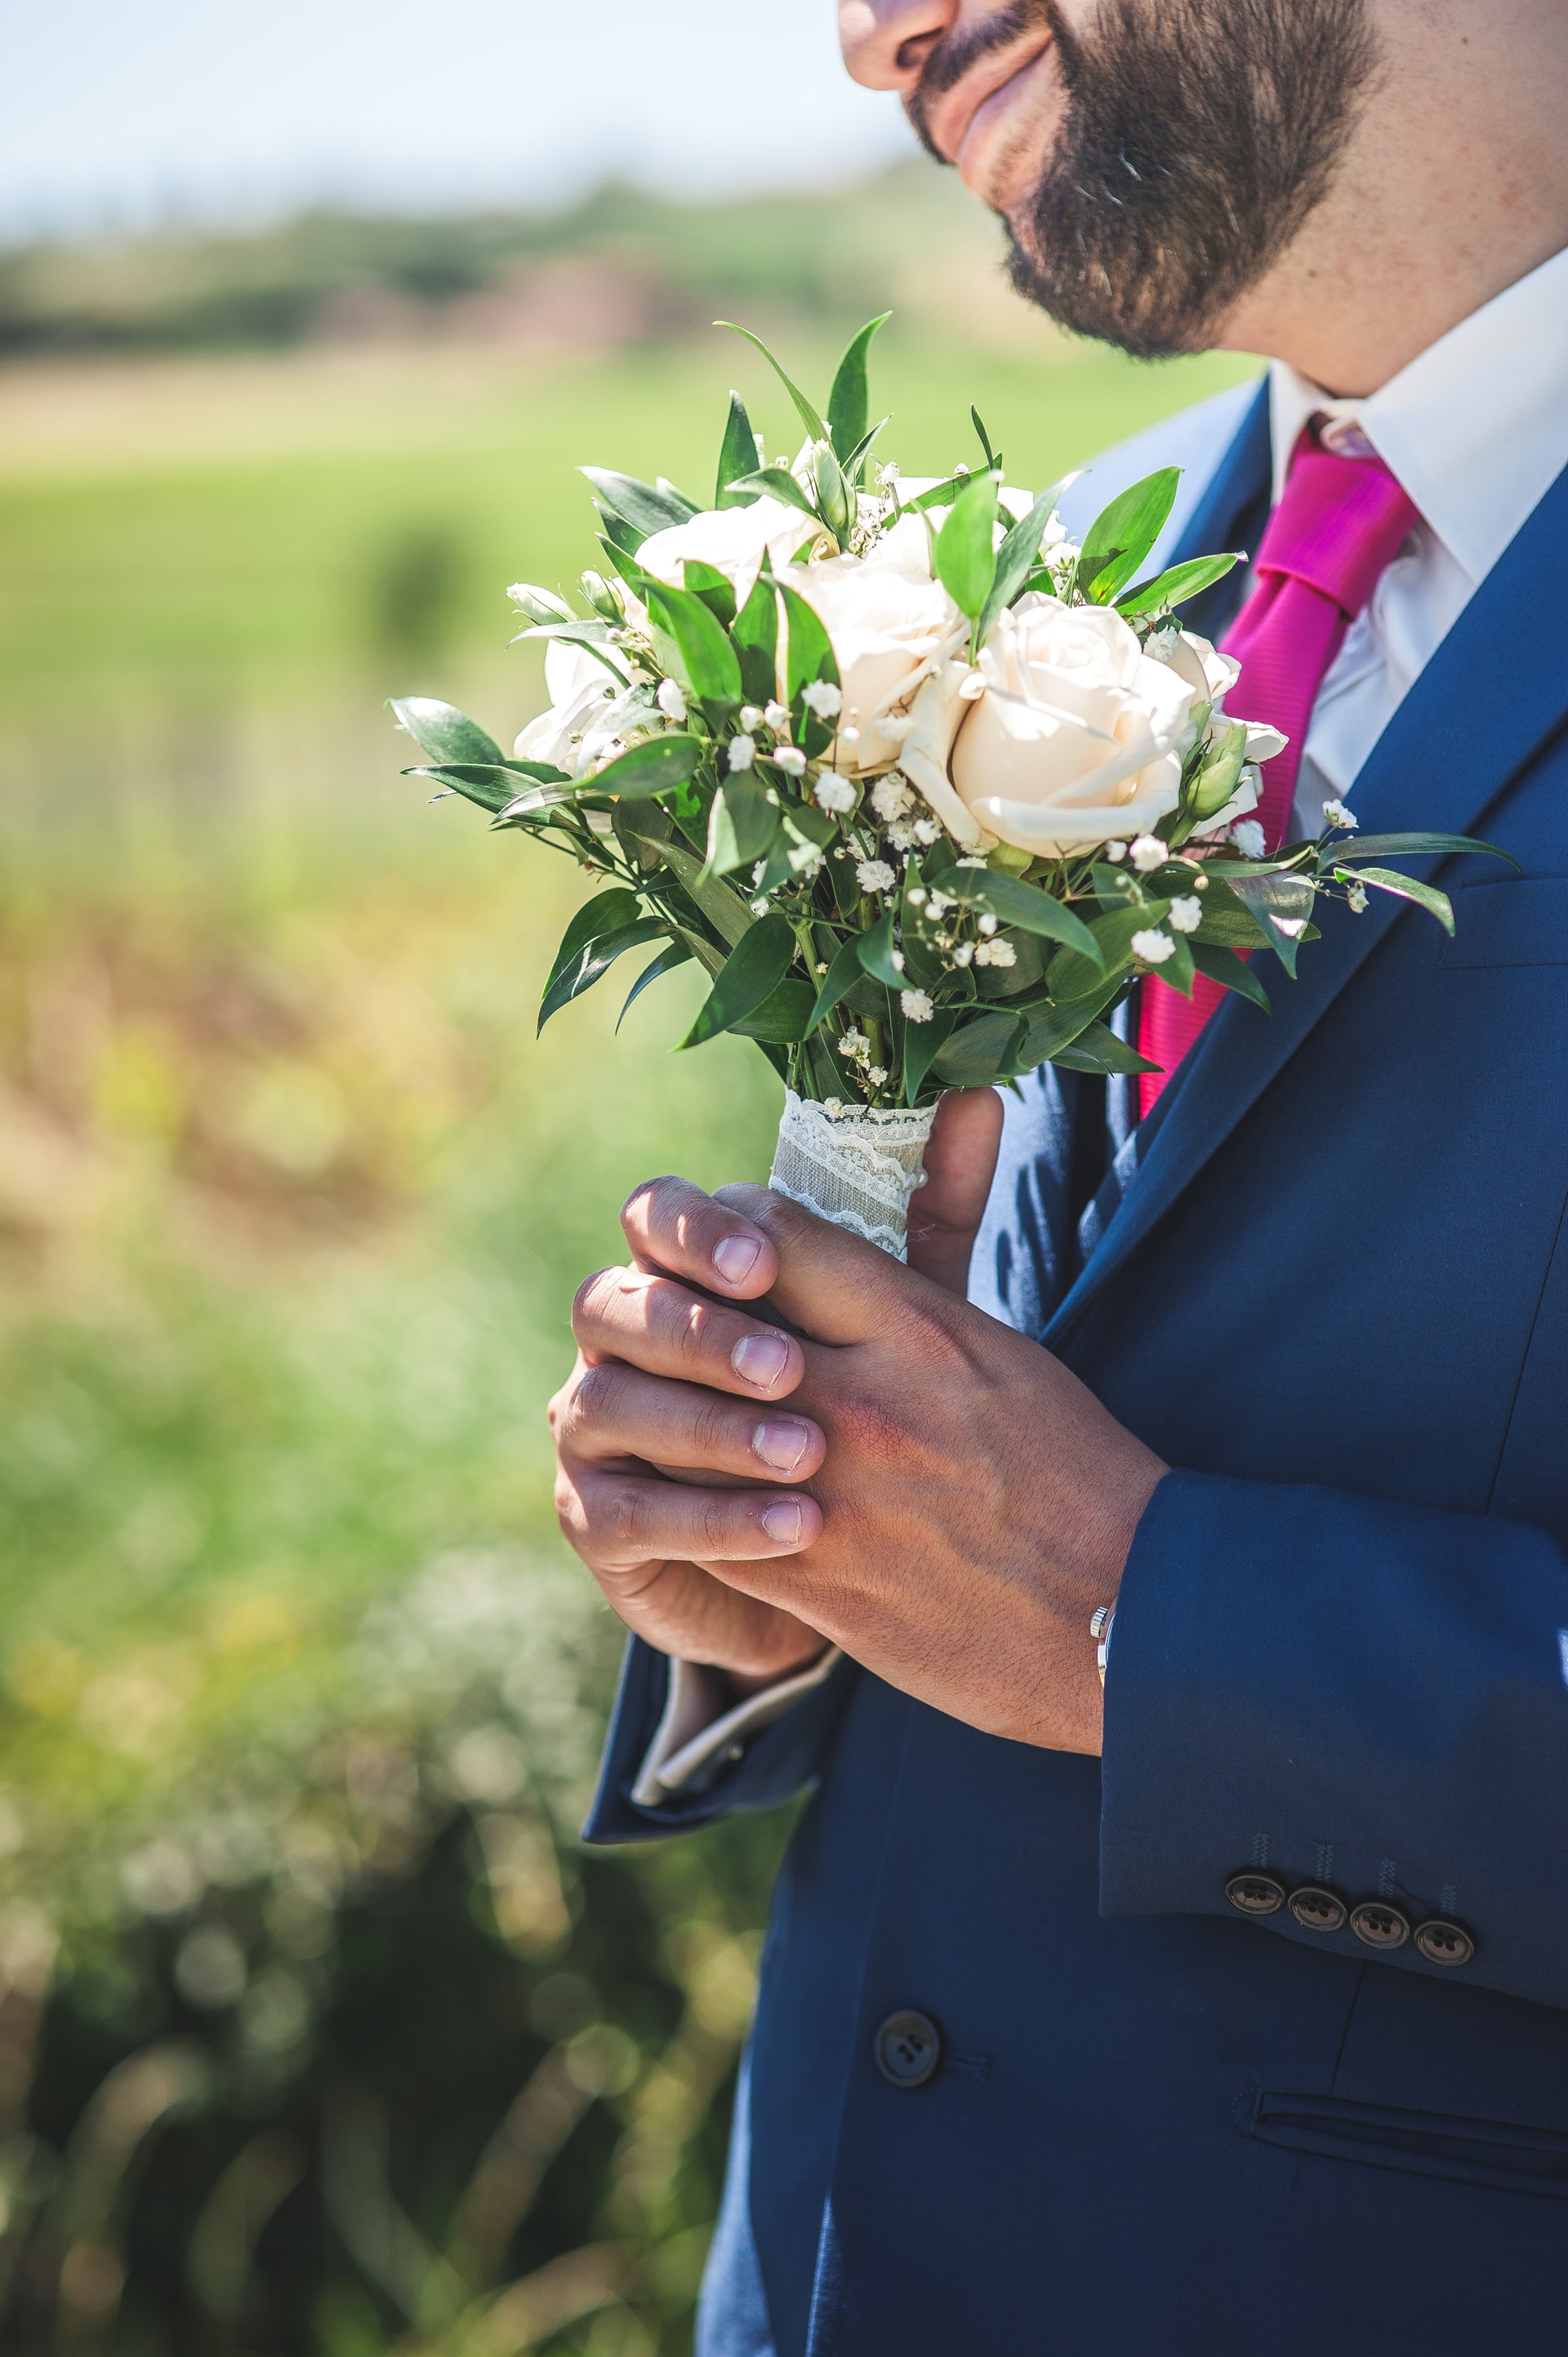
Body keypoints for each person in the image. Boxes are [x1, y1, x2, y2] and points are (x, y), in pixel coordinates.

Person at [550, 4, 1568, 2348]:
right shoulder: (1064, 588)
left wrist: (1147, 1624)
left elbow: (1090, 1578)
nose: (870, 36)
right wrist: (781, 1528)